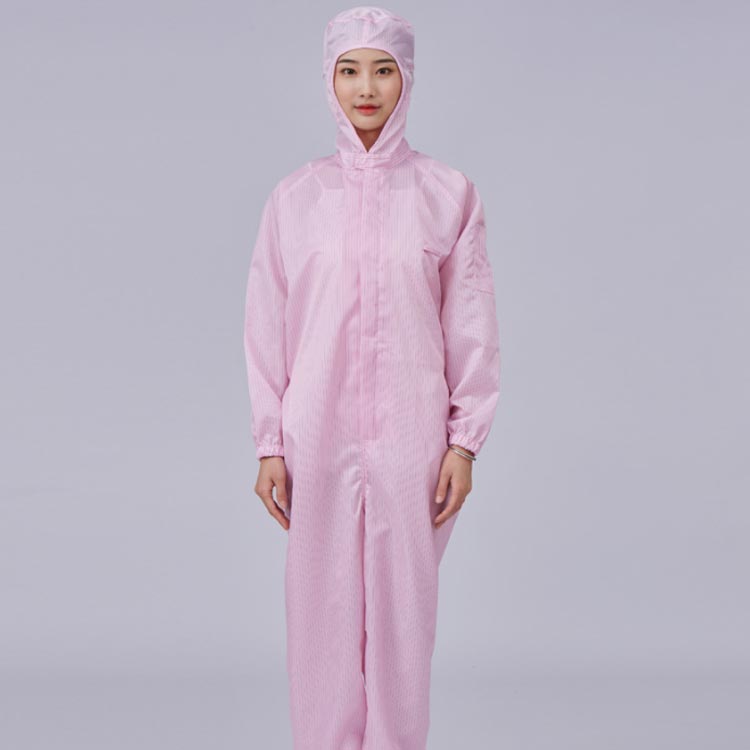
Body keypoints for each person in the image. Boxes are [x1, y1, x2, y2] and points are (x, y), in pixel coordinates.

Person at [243, 6, 500, 749]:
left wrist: (463, 443)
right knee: (319, 618)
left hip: (413, 441)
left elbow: (472, 322)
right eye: (350, 70)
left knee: (403, 622)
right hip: (316, 434)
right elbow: (265, 324)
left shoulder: (447, 194)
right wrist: (269, 443)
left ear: (406, 79)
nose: (366, 88)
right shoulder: (294, 199)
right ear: (328, 80)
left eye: (383, 70)